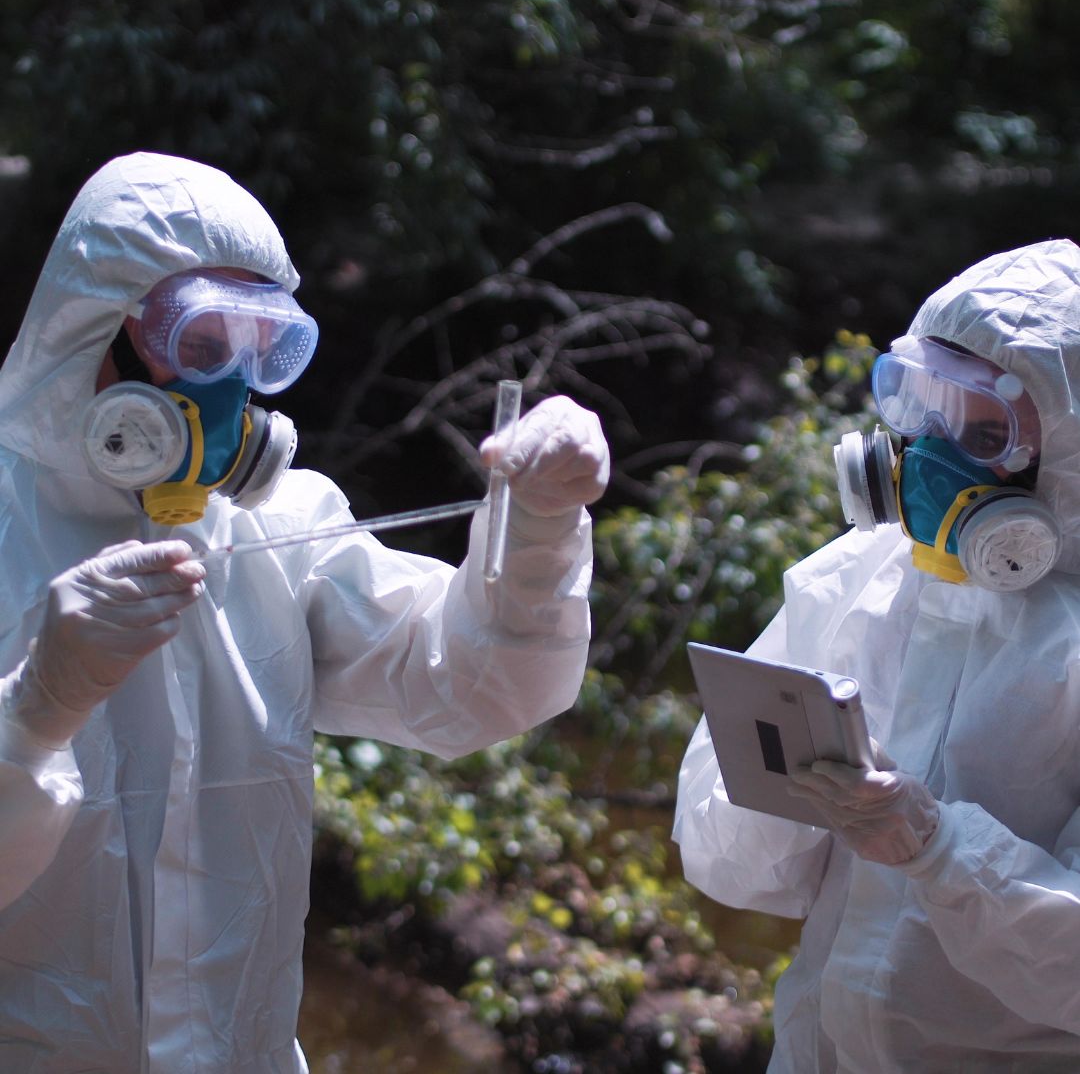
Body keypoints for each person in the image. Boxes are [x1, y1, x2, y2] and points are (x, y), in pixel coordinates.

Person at [0, 151, 610, 1073]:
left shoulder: (280, 526)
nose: (228, 389)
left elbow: (470, 690)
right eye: (202, 343)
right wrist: (31, 716)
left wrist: (540, 531)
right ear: (97, 329)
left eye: (259, 350)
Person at [674, 239, 1080, 1071]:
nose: (932, 448)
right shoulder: (867, 576)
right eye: (920, 400)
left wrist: (939, 852)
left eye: (984, 427)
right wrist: (791, 793)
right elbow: (730, 871)